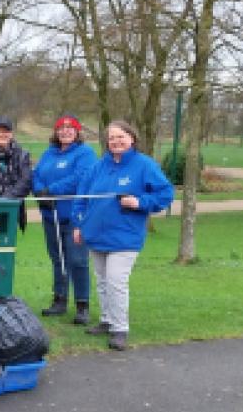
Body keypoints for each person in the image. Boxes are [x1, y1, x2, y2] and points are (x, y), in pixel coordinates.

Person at [72, 120, 174, 351]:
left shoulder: (144, 165)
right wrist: (78, 225)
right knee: (102, 281)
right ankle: (107, 320)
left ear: (132, 138)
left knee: (116, 281)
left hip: (125, 237)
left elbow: (166, 193)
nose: (116, 141)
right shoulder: (98, 167)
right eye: (111, 138)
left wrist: (140, 202)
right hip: (95, 235)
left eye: (121, 137)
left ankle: (120, 329)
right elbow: (81, 197)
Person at [32, 114, 98, 325]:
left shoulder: (85, 153)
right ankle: (59, 300)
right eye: (61, 128)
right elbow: (37, 174)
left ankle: (82, 305)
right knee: (57, 259)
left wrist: (51, 191)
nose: (65, 131)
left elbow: (81, 178)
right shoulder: (49, 153)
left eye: (70, 128)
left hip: (74, 216)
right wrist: (39, 191)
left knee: (77, 260)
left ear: (78, 131)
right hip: (50, 215)